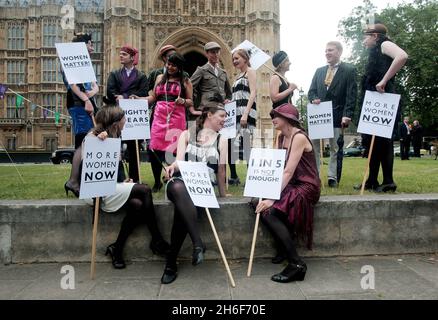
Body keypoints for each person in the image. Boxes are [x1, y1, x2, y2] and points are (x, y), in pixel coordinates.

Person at [75, 106, 170, 269]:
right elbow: (88, 171)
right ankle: (157, 240)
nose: (126, 121)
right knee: (145, 189)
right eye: (124, 119)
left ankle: (117, 249)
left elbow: (114, 171)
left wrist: (123, 181)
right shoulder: (93, 137)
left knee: (138, 205)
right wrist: (98, 144)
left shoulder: (116, 136)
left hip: (111, 187)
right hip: (97, 191)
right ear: (116, 122)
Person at [160, 105, 228, 284]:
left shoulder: (222, 139)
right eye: (221, 116)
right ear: (209, 115)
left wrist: (223, 194)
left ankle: (171, 262)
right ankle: (197, 242)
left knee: (182, 210)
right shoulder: (186, 134)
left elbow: (221, 171)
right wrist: (173, 166)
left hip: (203, 187)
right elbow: (179, 161)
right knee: (177, 187)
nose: (224, 120)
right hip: (183, 181)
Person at [253, 103, 320, 283]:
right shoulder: (281, 137)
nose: (272, 119)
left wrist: (271, 198)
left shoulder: (298, 137)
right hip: (291, 183)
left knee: (268, 209)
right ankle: (283, 247)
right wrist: (261, 186)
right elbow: (276, 167)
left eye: (276, 115)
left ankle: (296, 263)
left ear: (288, 119)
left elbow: (288, 171)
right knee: (255, 201)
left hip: (306, 185)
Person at [134, 53, 200, 192]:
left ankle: (173, 177)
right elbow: (152, 97)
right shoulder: (159, 78)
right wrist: (139, 99)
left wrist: (183, 101)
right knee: (155, 148)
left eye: (173, 65)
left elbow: (190, 101)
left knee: (175, 148)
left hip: (176, 116)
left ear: (179, 67)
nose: (170, 67)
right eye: (168, 64)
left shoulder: (186, 81)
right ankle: (157, 181)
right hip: (159, 116)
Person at [357, 23, 408, 193]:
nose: (363, 41)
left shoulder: (385, 44)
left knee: (384, 141)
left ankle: (388, 181)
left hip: (384, 98)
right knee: (373, 141)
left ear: (375, 36)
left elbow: (402, 56)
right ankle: (372, 179)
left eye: (366, 36)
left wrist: (384, 80)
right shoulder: (374, 52)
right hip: (374, 99)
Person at [308, 41, 357, 187]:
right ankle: (315, 176)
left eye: (331, 50)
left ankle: (332, 177)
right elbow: (311, 91)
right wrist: (313, 99)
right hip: (318, 116)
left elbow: (351, 94)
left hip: (337, 115)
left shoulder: (349, 70)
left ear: (339, 52)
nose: (327, 53)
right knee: (314, 148)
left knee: (335, 147)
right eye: (326, 50)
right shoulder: (319, 71)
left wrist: (347, 114)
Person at [104, 45, 149, 183]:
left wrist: (129, 96)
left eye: (124, 54)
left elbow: (143, 92)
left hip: (133, 117)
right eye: (120, 54)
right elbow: (110, 91)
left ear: (131, 57)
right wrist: (118, 97)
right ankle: (118, 178)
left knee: (134, 148)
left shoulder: (141, 76)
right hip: (116, 115)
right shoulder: (114, 74)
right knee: (114, 146)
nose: (121, 56)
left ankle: (135, 178)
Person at [63, 33, 99, 197]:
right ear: (82, 46)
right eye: (90, 44)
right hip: (78, 105)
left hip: (85, 102)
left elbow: (95, 87)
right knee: (83, 142)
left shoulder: (85, 63)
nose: (92, 47)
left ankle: (82, 180)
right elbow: (73, 85)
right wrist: (87, 99)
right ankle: (73, 181)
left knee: (88, 141)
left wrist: (90, 95)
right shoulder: (72, 60)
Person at [228, 49, 257, 186]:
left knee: (246, 146)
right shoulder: (238, 76)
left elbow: (253, 93)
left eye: (237, 58)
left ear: (245, 58)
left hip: (246, 113)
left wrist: (246, 113)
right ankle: (234, 177)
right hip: (236, 114)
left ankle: (251, 178)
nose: (234, 61)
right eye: (233, 59)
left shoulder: (250, 72)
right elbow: (237, 95)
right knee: (232, 145)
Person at [190, 41, 232, 112]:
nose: (216, 55)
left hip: (221, 109)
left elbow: (229, 93)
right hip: (207, 109)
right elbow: (189, 87)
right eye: (213, 52)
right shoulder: (201, 70)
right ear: (206, 54)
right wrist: (193, 106)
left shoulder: (223, 72)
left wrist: (228, 99)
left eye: (217, 52)